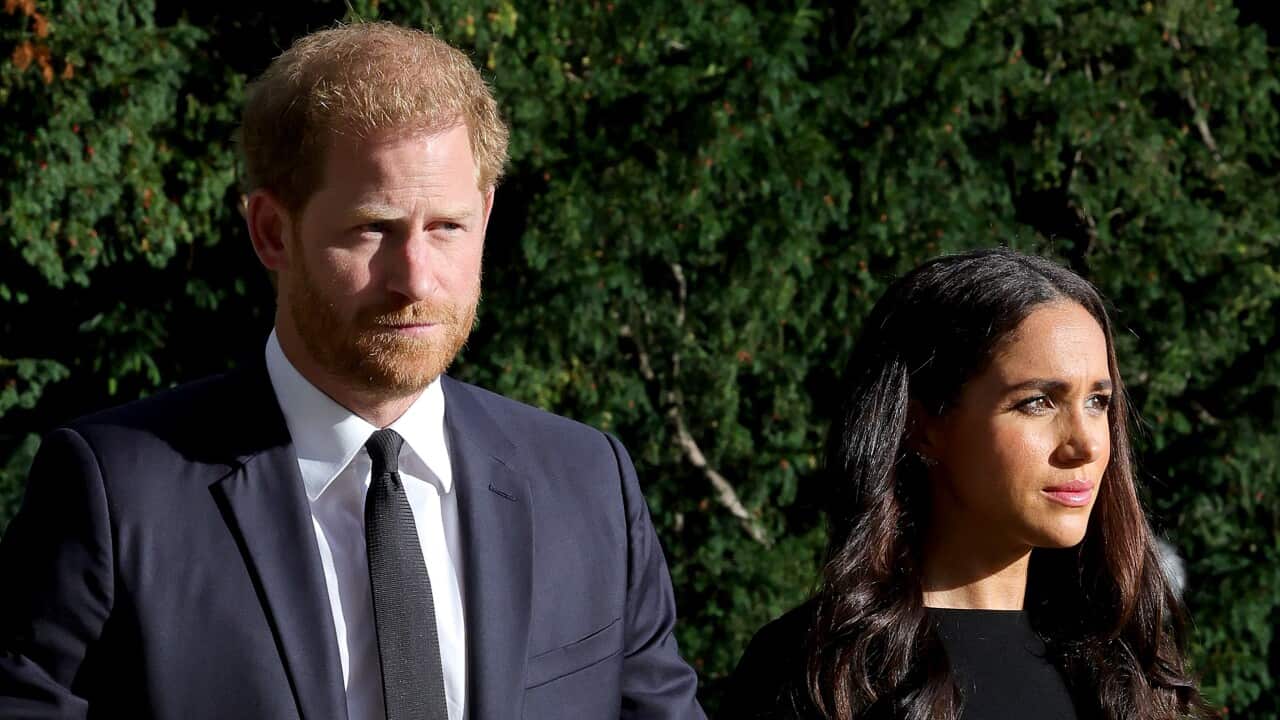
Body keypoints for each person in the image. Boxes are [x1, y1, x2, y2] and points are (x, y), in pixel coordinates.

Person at [0, 22, 705, 720]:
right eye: (373, 228)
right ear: (271, 231)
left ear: (486, 216)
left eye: (447, 227)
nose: (415, 279)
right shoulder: (116, 495)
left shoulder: (588, 483)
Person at [726, 249, 1209, 719]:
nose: (1086, 444)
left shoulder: (1127, 668)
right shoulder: (821, 673)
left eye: (1098, 402)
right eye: (1037, 402)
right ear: (924, 426)